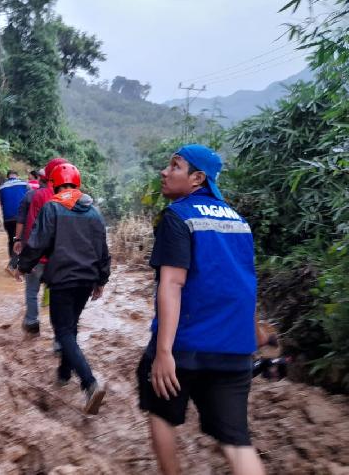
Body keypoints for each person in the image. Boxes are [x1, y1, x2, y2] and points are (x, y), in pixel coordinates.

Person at [137, 144, 265, 475]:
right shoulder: (239, 221)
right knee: (237, 442)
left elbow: (172, 283)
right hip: (234, 351)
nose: (164, 173)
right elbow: (245, 284)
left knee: (162, 412)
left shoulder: (178, 216)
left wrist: (164, 351)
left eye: (174, 167)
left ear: (197, 178)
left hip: (186, 346)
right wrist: (256, 336)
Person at [18, 163, 110, 415]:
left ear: (53, 184)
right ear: (77, 184)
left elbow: (37, 243)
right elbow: (103, 250)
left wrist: (22, 265)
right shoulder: (94, 212)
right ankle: (63, 373)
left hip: (62, 278)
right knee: (70, 327)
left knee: (64, 331)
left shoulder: (52, 207)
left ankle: (90, 383)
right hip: (86, 280)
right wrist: (101, 280)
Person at [13, 158, 67, 334]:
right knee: (58, 296)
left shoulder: (37, 196)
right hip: (60, 258)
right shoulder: (73, 197)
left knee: (31, 290)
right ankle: (60, 338)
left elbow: (31, 227)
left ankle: (32, 322)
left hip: (38, 257)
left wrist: (20, 246)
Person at [0, 170, 29, 259]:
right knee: (22, 240)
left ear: (7, 177)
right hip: (22, 218)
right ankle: (23, 264)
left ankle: (13, 263)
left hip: (9, 220)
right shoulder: (24, 184)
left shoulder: (1, 188)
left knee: (13, 239)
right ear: (17, 176)